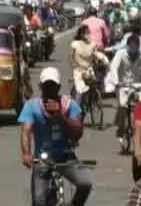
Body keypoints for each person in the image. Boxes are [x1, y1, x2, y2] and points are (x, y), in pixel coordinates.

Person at [18, 67, 93, 206]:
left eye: (53, 86)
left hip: (66, 157)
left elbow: (78, 131)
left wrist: (60, 116)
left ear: (59, 87)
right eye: (46, 86)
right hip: (42, 160)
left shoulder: (70, 105)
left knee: (85, 184)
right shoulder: (31, 106)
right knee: (39, 200)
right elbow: (26, 130)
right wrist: (26, 154)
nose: (50, 90)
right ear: (41, 87)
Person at [107, 33, 141, 150]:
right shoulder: (120, 54)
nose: (133, 50)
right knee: (122, 105)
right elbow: (113, 67)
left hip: (138, 85)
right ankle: (120, 127)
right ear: (128, 46)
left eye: (135, 47)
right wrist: (116, 81)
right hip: (123, 85)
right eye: (131, 47)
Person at [69, 25, 108, 100]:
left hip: (89, 69)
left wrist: (99, 61)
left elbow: (95, 55)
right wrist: (75, 66)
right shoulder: (75, 44)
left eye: (88, 33)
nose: (88, 35)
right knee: (79, 93)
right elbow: (71, 58)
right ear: (81, 34)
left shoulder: (92, 44)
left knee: (94, 84)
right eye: (86, 33)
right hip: (79, 70)